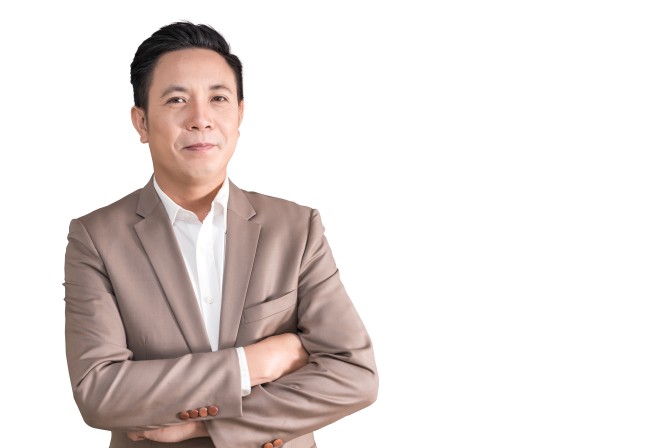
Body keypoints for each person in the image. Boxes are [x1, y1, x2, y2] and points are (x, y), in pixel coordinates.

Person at [63, 21, 378, 448]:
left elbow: (355, 375)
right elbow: (99, 393)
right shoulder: (96, 238)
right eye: (176, 100)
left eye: (218, 99)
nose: (200, 120)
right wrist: (253, 364)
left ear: (239, 115)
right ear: (141, 122)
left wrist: (206, 427)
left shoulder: (296, 228)